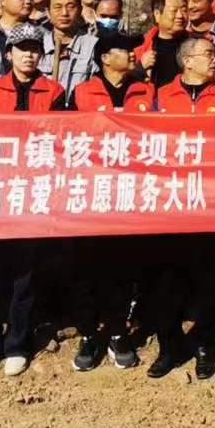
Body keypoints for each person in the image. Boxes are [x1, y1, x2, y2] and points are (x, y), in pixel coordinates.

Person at [145, 35, 215, 379]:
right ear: (187, 61)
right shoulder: (161, 96)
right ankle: (169, 346)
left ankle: (204, 344)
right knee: (167, 279)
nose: (214, 59)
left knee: (213, 276)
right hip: (171, 202)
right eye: (208, 54)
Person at [0, 25, 62, 375]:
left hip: (34, 190)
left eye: (35, 49)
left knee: (25, 273)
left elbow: (61, 138)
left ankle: (17, 344)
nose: (29, 55)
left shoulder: (54, 91)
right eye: (22, 49)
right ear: (9, 54)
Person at [69, 32, 154, 371]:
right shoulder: (82, 92)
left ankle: (119, 331)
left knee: (122, 267)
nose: (133, 54)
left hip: (130, 193)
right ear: (105, 58)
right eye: (125, 50)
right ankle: (89, 334)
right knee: (86, 269)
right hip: (91, 193)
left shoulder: (145, 91)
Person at [44, 0, 99, 104]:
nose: (64, 13)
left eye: (71, 7)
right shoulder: (37, 46)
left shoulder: (93, 46)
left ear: (80, 10)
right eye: (57, 7)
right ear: (48, 12)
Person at [135, 0, 189, 88]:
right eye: (174, 11)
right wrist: (140, 68)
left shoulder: (197, 45)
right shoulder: (140, 48)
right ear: (157, 14)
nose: (180, 16)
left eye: (184, 10)